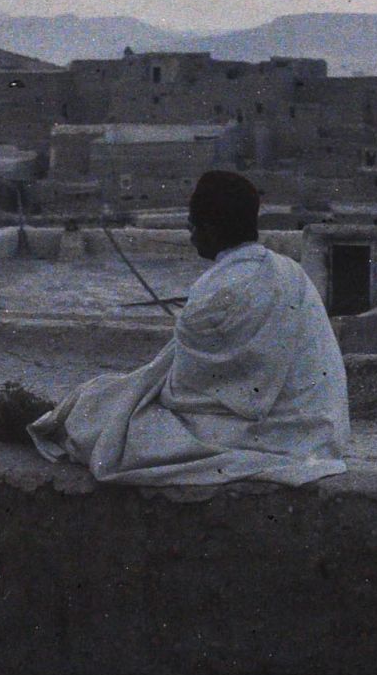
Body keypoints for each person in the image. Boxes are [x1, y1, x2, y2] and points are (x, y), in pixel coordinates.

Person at [28, 170, 350, 486]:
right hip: (320, 432)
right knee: (111, 401)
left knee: (112, 423)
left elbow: (184, 392)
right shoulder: (290, 272)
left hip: (270, 438)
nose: (191, 234)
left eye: (193, 226)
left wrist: (129, 395)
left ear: (209, 229)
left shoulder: (216, 290)